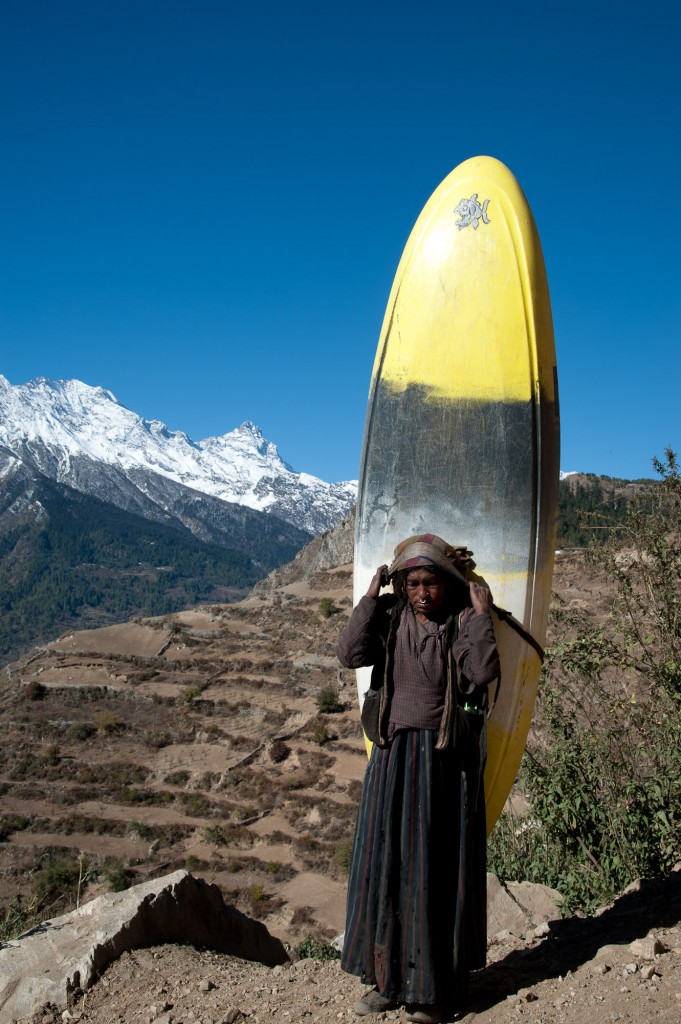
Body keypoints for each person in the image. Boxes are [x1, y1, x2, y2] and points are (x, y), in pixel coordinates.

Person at [338, 533, 500, 1024]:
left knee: (432, 872)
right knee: (388, 868)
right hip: (391, 760)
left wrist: (480, 615)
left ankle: (434, 994)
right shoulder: (388, 619)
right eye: (413, 583)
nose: (423, 592)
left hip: (442, 765)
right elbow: (349, 654)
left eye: (431, 583)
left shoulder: (459, 622)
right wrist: (370, 597)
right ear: (401, 585)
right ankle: (387, 982)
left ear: (447, 585)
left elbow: (484, 668)